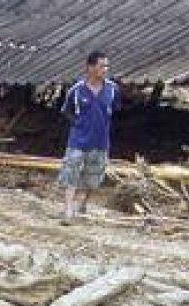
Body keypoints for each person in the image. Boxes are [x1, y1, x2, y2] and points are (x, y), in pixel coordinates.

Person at [58, 51, 120, 222]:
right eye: (101, 66)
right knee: (71, 175)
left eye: (106, 66)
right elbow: (66, 111)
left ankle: (80, 206)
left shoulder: (112, 90)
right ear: (90, 67)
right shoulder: (76, 91)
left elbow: (115, 109)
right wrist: (78, 124)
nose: (105, 69)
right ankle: (68, 210)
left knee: (92, 178)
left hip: (100, 143)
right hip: (77, 141)